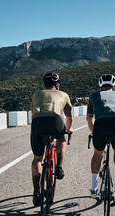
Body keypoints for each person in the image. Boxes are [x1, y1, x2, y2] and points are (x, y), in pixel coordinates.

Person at [30, 72, 73, 206]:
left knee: (37, 158)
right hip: (55, 121)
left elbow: (33, 115)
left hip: (38, 123)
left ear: (43, 85)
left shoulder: (37, 94)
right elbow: (69, 117)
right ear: (58, 86)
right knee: (61, 139)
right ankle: (59, 167)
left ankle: (36, 192)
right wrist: (68, 129)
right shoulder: (64, 95)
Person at [86, 74, 115, 198]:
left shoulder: (94, 95)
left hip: (101, 124)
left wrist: (95, 132)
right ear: (114, 87)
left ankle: (94, 188)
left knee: (97, 154)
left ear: (100, 87)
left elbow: (89, 118)